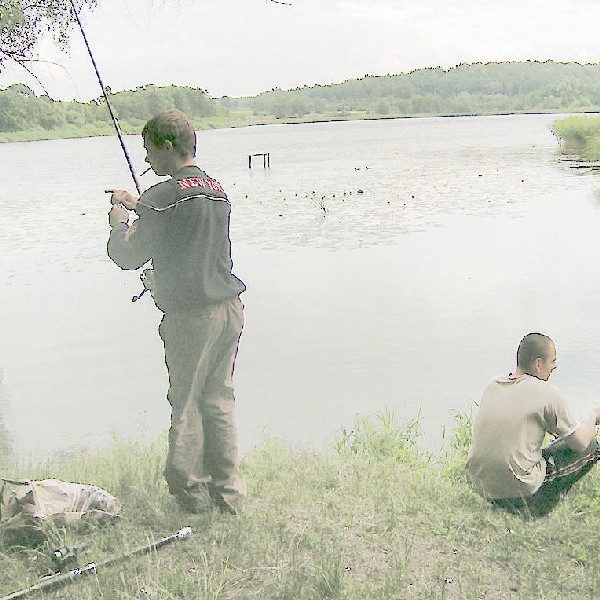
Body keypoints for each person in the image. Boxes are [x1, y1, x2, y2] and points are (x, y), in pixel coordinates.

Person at [106, 109, 246, 515]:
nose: (146, 160)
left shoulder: (161, 198)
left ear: (168, 147)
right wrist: (141, 204)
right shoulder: (216, 189)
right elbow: (185, 230)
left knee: (184, 401)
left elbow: (128, 255)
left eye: (149, 151)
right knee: (219, 399)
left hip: (191, 318)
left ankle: (190, 493)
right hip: (229, 309)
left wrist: (119, 221)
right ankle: (228, 493)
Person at [467, 332, 600, 517]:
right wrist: (593, 416)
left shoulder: (493, 384)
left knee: (553, 445)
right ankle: (535, 510)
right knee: (592, 447)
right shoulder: (546, 393)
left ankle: (503, 506)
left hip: (483, 486)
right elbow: (581, 443)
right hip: (519, 489)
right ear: (538, 364)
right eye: (552, 361)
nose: (555, 366)